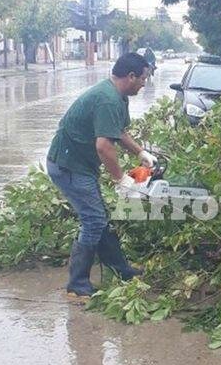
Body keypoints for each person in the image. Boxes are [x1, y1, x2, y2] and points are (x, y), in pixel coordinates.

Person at [46, 52, 157, 298]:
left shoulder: (117, 97)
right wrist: (121, 179)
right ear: (130, 76)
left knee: (99, 217)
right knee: (94, 220)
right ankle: (77, 284)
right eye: (143, 79)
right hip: (68, 166)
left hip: (80, 165)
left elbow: (118, 132)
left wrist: (141, 153)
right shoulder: (108, 99)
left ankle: (121, 270)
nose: (143, 84)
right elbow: (103, 146)